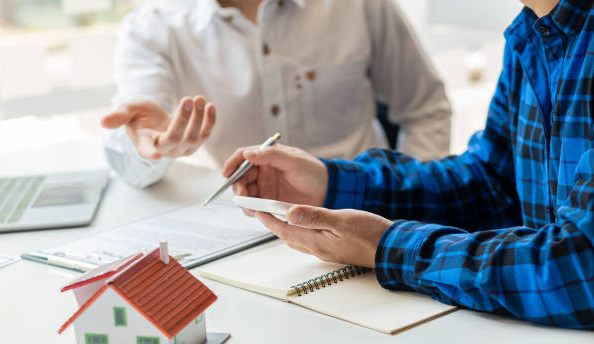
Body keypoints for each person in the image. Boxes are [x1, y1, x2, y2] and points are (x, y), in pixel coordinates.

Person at [222, 0, 594, 329]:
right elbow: (491, 184)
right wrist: (330, 184)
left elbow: (582, 264)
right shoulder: (533, 32)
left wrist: (389, 247)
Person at [100, 0, 451, 188]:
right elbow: (136, 162)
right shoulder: (152, 25)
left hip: (363, 211)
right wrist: (151, 150)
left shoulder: (361, 5)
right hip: (242, 230)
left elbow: (426, 109)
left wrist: (409, 199)